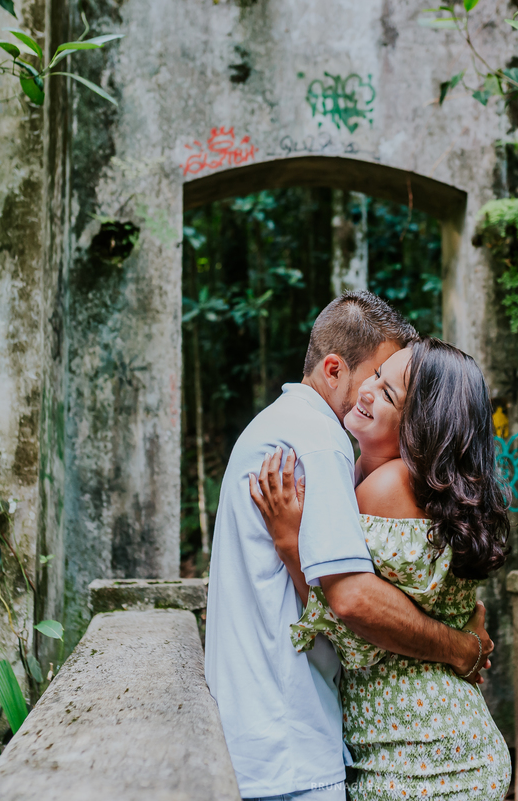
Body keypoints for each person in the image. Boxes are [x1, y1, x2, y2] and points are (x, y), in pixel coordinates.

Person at [205, 292, 493, 801]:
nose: (372, 394)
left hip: (405, 753)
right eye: (376, 377)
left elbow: (363, 600)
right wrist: (459, 646)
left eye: (389, 390)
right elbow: (355, 600)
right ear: (335, 369)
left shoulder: (306, 437)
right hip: (297, 739)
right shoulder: (319, 442)